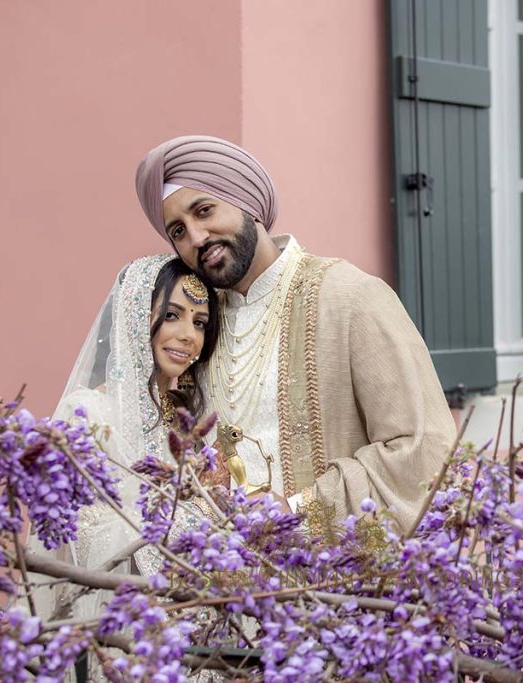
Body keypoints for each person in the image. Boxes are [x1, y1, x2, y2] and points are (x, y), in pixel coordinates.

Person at [134, 136, 457, 532]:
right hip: (220, 580)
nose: (197, 237)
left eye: (205, 210)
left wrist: (297, 510)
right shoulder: (198, 324)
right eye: (178, 231)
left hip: (336, 583)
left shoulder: (350, 298)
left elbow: (422, 451)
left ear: (246, 200)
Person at [29, 254, 219, 680]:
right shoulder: (88, 414)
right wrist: (182, 524)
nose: (188, 336)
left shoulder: (192, 425)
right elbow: (74, 536)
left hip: (197, 633)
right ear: (136, 316)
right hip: (126, 637)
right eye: (172, 316)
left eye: (200, 322)